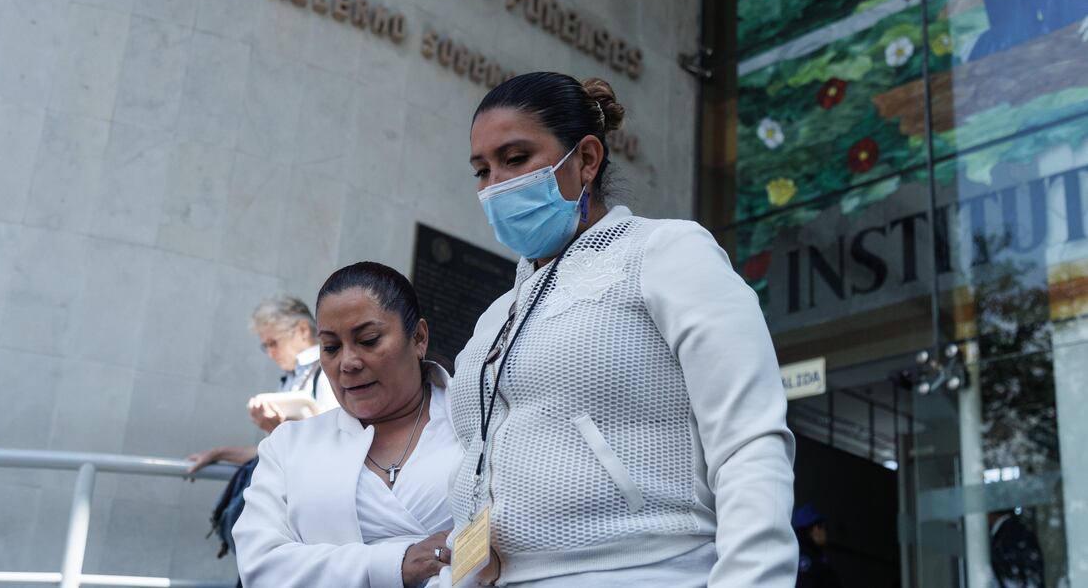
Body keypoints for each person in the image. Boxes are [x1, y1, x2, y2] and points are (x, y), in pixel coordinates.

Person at [448, 71, 797, 587]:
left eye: (516, 158)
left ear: (587, 159)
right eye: (482, 170)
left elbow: (750, 442)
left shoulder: (666, 252)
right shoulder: (495, 316)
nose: (495, 185)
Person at [234, 262, 463, 587]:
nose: (348, 362)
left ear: (418, 338)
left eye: (368, 340)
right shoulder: (287, 446)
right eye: (330, 347)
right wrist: (395, 564)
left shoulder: (477, 424)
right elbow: (262, 565)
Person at [186, 295, 339, 473]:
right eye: (265, 346)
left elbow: (332, 446)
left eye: (273, 343)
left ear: (303, 330)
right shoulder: (291, 377)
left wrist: (278, 431)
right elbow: (271, 452)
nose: (270, 353)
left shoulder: (327, 371)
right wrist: (219, 454)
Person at [792, 504, 842, 588]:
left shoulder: (816, 558)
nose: (824, 530)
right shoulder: (805, 562)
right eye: (820, 526)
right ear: (808, 531)